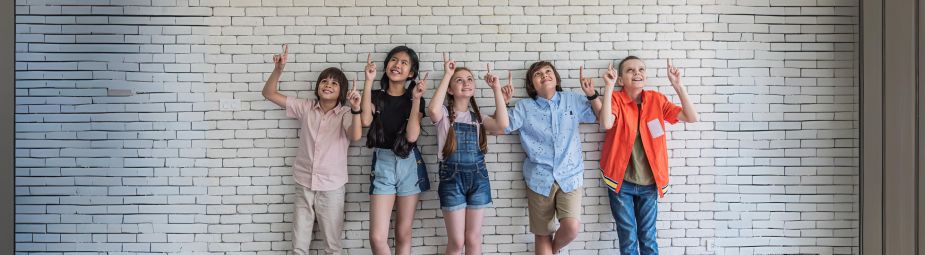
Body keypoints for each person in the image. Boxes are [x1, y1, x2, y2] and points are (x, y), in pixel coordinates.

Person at [491, 61, 602, 255]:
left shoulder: (572, 100)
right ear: (531, 85)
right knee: (543, 234)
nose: (544, 75)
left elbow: (602, 117)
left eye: (548, 71)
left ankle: (552, 250)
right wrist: (503, 102)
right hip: (539, 179)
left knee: (571, 228)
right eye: (538, 74)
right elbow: (498, 128)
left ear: (556, 79)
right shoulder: (524, 107)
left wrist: (592, 94)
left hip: (570, 176)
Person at [261, 44, 363, 255]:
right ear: (317, 86)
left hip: (332, 187)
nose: (328, 85)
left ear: (342, 91)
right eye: (324, 81)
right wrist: (278, 70)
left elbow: (355, 135)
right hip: (304, 183)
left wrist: (355, 110)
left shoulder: (345, 113)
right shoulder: (306, 107)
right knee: (298, 246)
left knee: (332, 246)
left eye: (334, 83)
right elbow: (269, 93)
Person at [598, 57, 699, 255]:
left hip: (650, 183)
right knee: (628, 239)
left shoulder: (656, 100)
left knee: (648, 238)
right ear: (620, 79)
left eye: (641, 69)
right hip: (621, 183)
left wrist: (678, 86)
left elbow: (692, 117)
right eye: (630, 70)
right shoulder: (616, 99)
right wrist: (608, 87)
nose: (637, 73)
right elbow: (606, 123)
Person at [427, 54, 509, 255]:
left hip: (479, 179)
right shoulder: (444, 115)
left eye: (470, 79)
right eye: (459, 80)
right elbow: (432, 109)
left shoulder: (478, 118)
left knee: (473, 239)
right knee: (457, 242)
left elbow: (502, 125)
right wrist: (448, 74)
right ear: (450, 89)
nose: (466, 83)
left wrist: (496, 89)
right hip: (451, 179)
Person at [360, 46, 430, 255]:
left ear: (411, 73)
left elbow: (412, 136)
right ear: (386, 65)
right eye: (393, 60)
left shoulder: (416, 99)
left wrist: (416, 99)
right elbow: (365, 121)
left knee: (403, 234)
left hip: (409, 163)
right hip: (383, 164)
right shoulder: (375, 96)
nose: (397, 65)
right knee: (377, 238)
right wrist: (368, 81)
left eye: (404, 63)